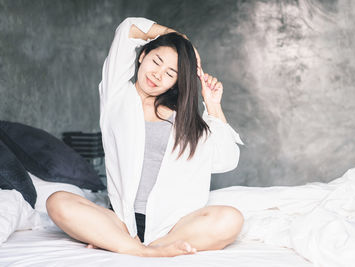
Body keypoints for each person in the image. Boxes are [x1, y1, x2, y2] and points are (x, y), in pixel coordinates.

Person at [46, 17, 244, 258]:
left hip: (171, 226)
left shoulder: (182, 119)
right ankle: (143, 250)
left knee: (231, 219)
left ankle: (133, 245)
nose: (158, 75)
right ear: (142, 55)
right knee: (57, 201)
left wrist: (213, 106)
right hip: (120, 221)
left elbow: (226, 159)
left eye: (170, 73)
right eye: (156, 61)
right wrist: (181, 39)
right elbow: (128, 29)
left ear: (176, 82)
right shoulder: (117, 97)